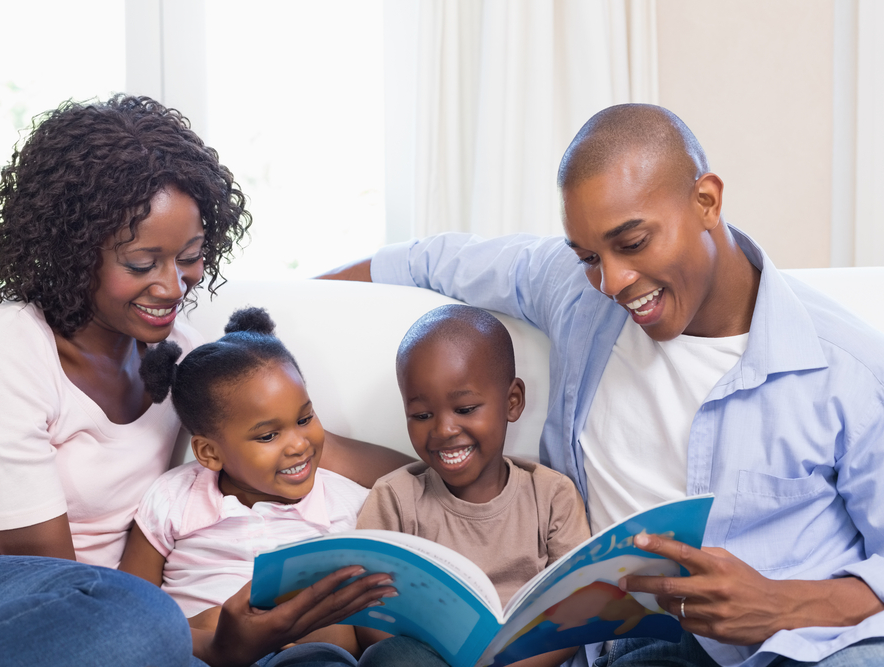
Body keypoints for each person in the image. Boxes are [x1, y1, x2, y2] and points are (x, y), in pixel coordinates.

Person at [320, 104, 884, 666]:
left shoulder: (846, 368)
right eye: (590, 256)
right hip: (617, 644)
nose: (611, 281)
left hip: (786, 648)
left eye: (633, 243)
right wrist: (257, 317)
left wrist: (781, 603)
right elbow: (432, 260)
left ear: (706, 201)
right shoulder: (573, 289)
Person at [0, 94, 401, 667]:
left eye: (190, 256)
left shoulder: (184, 358)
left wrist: (472, 479)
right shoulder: (10, 344)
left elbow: (310, 448)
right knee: (137, 620)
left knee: (140, 623)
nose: (173, 286)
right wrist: (210, 642)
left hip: (108, 615)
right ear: (74, 252)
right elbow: (55, 581)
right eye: (141, 263)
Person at [119, 306, 382, 666]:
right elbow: (126, 610)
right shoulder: (171, 497)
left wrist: (313, 632)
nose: (299, 444)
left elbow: (363, 630)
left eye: (305, 418)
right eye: (269, 435)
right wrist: (204, 631)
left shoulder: (348, 504)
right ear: (209, 453)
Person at [356, 304, 591, 667]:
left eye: (465, 409)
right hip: (426, 657)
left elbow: (574, 616)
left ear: (512, 402)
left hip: (524, 661)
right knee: (388, 657)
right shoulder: (394, 498)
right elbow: (372, 619)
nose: (443, 430)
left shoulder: (551, 496)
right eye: (421, 415)